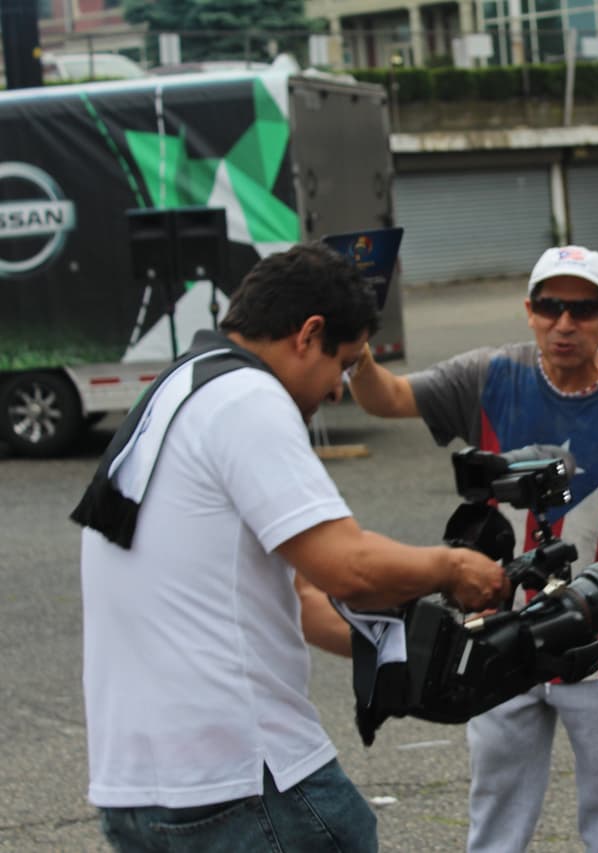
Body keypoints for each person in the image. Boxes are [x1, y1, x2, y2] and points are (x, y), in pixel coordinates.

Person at [73, 243, 510, 852]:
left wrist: (418, 647)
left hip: (137, 792)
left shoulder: (181, 388)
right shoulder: (248, 398)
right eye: (346, 363)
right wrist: (452, 567)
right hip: (238, 779)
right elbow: (347, 566)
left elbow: (303, 597)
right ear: (309, 334)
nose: (337, 391)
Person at [346, 244, 598, 853]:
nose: (565, 324)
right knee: (497, 821)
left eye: (584, 309)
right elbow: (386, 398)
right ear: (530, 310)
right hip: (495, 637)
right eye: (550, 306)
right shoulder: (490, 375)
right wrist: (354, 344)